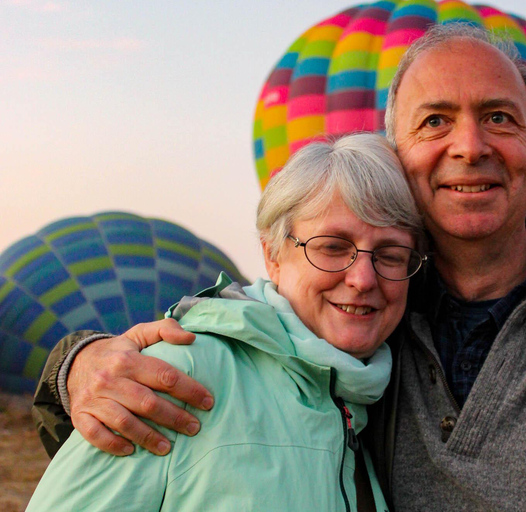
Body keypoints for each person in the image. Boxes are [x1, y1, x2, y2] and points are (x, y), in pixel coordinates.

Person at [33, 24, 526, 511]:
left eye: (501, 118)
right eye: (435, 121)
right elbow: (235, 349)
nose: (470, 145)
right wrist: (77, 363)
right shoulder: (360, 319)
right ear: (398, 157)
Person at [27, 133, 425, 511]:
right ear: (272, 255)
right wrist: (76, 360)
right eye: (333, 248)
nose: (363, 279)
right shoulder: (173, 377)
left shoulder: (377, 400)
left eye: (390, 254)